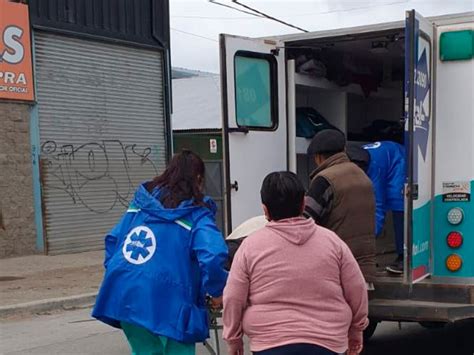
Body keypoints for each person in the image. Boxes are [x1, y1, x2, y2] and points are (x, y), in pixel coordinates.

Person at [92, 150, 228, 355]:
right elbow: (213, 254)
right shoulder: (196, 216)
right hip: (172, 304)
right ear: (198, 179)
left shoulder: (138, 207)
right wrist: (218, 291)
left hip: (127, 296)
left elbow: (113, 241)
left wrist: (122, 277)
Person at [223, 171, 369, 355]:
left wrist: (234, 339)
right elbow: (357, 288)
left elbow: (233, 297)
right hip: (327, 343)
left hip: (269, 344)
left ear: (265, 210)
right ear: (303, 204)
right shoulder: (333, 243)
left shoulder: (250, 247)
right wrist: (356, 329)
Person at [304, 129, 376, 285]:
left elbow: (304, 221)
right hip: (364, 269)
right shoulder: (362, 175)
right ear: (343, 150)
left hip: (337, 270)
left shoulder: (324, 180)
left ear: (318, 157)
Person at [346, 141, 406, 274]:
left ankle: (404, 256)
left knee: (398, 203)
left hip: (398, 161)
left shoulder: (374, 168)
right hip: (387, 154)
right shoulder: (350, 162)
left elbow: (378, 206)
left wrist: (369, 239)